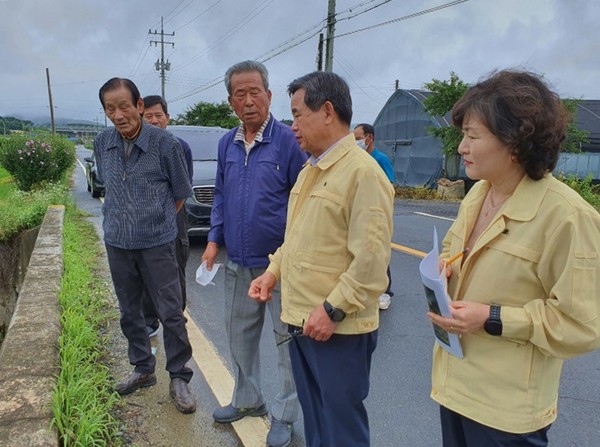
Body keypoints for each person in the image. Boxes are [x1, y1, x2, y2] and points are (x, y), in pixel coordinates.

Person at [427, 70, 600, 446]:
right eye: (463, 135)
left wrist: (492, 318)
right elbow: (453, 251)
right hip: (455, 386)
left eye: (473, 136)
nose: (461, 147)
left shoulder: (567, 217)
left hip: (507, 413)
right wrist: (443, 269)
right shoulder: (478, 195)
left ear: (515, 143)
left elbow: (582, 326)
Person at [249, 71, 394, 447]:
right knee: (316, 422)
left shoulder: (364, 175)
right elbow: (297, 239)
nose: (292, 126)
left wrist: (332, 310)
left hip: (337, 328)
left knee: (341, 427)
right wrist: (272, 272)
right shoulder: (312, 170)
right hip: (301, 320)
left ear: (327, 111)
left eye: (298, 115)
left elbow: (371, 262)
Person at [200, 60, 305, 447]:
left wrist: (289, 258)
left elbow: (303, 201)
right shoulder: (227, 142)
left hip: (280, 267)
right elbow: (222, 196)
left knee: (285, 343)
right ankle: (248, 400)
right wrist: (213, 239)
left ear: (269, 95)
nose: (248, 101)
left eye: (254, 92)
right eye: (239, 94)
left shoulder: (289, 141)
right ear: (230, 101)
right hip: (238, 262)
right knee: (239, 337)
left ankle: (285, 414)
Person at [94, 78, 196, 414]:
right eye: (111, 108)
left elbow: (180, 194)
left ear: (139, 105)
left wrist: (156, 222)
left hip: (157, 244)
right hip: (118, 243)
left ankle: (179, 376)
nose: (118, 114)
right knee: (129, 311)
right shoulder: (102, 142)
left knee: (170, 312)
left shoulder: (166, 145)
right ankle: (142, 368)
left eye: (124, 106)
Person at [141, 95, 193, 338]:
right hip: (143, 221)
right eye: (148, 116)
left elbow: (184, 187)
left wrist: (166, 216)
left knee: (175, 267)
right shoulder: (135, 147)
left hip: (174, 217)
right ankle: (149, 320)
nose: (153, 120)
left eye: (158, 115)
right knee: (145, 270)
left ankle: (176, 316)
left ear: (167, 118)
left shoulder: (180, 147)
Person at [354, 123, 395, 310]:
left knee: (380, 251)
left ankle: (386, 292)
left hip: (377, 213)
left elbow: (389, 187)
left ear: (368, 138)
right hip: (361, 214)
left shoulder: (381, 159)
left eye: (357, 138)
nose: (355, 142)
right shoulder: (356, 159)